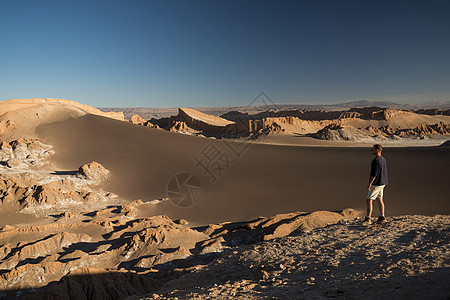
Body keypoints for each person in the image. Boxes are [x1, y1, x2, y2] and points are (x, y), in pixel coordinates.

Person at [363, 144, 388, 223]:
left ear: (377, 150)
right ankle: (382, 216)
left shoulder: (376, 160)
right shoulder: (383, 159)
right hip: (383, 182)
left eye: (373, 149)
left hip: (377, 183)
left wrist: (370, 183)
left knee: (369, 200)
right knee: (379, 199)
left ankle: (368, 218)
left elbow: (374, 173)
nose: (372, 151)